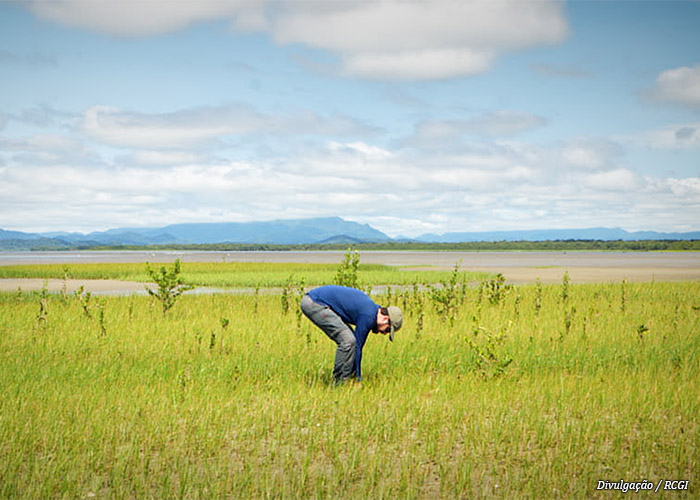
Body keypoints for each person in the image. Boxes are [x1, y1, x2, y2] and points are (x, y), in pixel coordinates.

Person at [300, 285, 403, 384]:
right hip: (314, 303)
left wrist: (356, 375)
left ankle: (345, 379)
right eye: (388, 329)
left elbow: (357, 347)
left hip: (315, 300)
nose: (384, 333)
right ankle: (339, 383)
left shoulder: (372, 310)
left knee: (350, 340)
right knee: (348, 341)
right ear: (385, 319)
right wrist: (357, 378)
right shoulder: (368, 316)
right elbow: (358, 347)